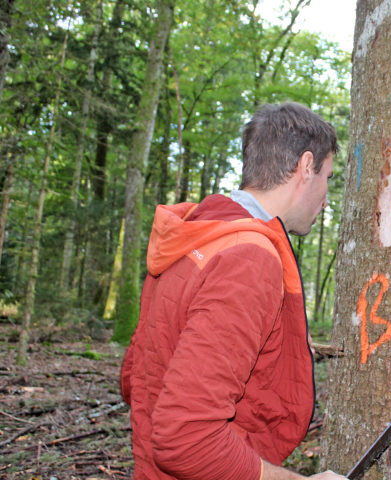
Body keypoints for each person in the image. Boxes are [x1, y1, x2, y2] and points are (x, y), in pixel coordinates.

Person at [120, 102, 347, 480]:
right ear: (306, 167)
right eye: (327, 177)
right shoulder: (247, 258)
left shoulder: (197, 235)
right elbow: (187, 437)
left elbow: (137, 373)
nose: (325, 199)